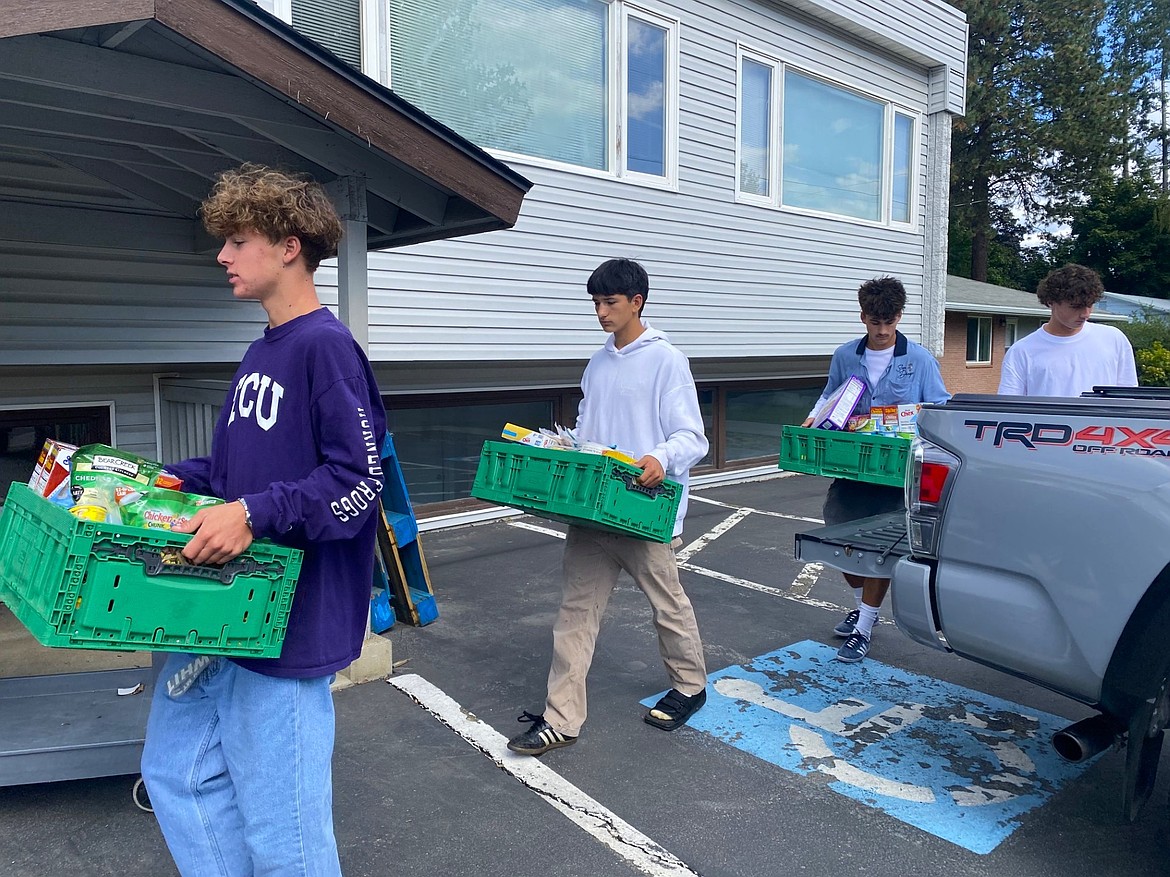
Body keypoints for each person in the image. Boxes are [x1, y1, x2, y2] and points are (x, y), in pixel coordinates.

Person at [140, 164, 387, 876]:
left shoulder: (325, 347)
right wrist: (164, 478)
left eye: (238, 239)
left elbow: (359, 481)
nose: (222, 255)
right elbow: (233, 472)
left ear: (288, 246)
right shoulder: (261, 350)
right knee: (177, 776)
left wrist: (254, 511)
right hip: (219, 618)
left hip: (287, 629)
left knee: (289, 844)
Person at [507, 258, 709, 756]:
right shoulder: (597, 363)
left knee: (667, 605)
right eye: (595, 303)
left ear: (637, 301)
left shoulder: (667, 360)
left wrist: (661, 457)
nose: (600, 312)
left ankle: (690, 686)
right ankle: (561, 719)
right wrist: (561, 444)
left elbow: (692, 436)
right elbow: (589, 431)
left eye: (610, 303)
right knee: (575, 613)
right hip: (592, 508)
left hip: (642, 508)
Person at [802, 276, 949, 664]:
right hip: (852, 466)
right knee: (840, 540)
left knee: (880, 551)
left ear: (899, 317)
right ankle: (859, 604)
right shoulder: (845, 355)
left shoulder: (919, 359)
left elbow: (938, 405)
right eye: (874, 322)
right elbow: (830, 394)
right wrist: (815, 416)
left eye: (889, 322)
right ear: (863, 316)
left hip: (896, 473)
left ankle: (864, 626)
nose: (882, 331)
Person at [998, 263, 1137, 396]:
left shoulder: (1113, 339)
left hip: (1103, 421)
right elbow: (1008, 409)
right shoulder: (1021, 352)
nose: (1086, 314)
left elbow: (1128, 398)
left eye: (1090, 305)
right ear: (1051, 302)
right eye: (1076, 306)